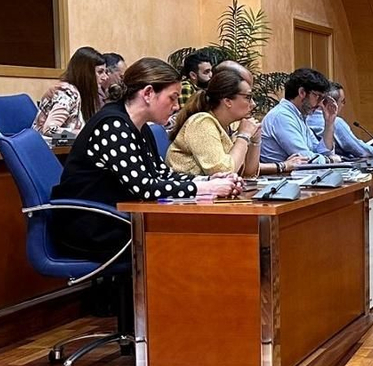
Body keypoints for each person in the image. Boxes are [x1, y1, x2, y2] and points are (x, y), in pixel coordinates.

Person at [51, 58, 239, 261]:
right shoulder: (113, 125)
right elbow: (144, 188)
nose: (176, 106)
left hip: (119, 220)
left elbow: (162, 174)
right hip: (92, 227)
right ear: (148, 93)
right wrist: (207, 189)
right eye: (172, 98)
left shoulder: (140, 127)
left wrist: (207, 180)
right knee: (192, 238)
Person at [166, 65, 262, 177]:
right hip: (187, 192)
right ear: (227, 101)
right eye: (248, 97)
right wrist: (244, 136)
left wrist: (255, 140)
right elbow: (223, 173)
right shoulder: (201, 123)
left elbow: (247, 173)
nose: (253, 104)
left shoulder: (230, 125)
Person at [260, 67, 337, 169]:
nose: (320, 104)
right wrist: (330, 160)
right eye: (318, 96)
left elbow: (320, 151)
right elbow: (304, 159)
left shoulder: (298, 116)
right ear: (302, 92)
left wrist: (329, 122)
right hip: (279, 180)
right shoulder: (282, 116)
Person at [33, 46, 107, 137]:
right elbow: (50, 130)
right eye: (100, 72)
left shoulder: (85, 94)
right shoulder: (67, 95)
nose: (105, 77)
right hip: (49, 149)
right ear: (86, 73)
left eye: (105, 72)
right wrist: (85, 135)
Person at [309, 83, 373, 158]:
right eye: (343, 101)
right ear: (332, 103)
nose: (343, 105)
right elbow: (360, 150)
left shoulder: (305, 118)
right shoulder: (335, 122)